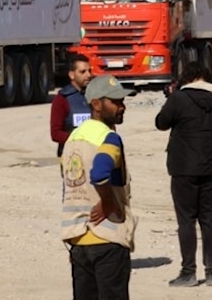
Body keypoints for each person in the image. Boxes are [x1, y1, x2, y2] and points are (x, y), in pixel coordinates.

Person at [155, 61, 212, 288]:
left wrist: (171, 97)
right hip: (211, 167)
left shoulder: (179, 99)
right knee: (208, 219)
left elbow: (161, 123)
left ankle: (188, 272)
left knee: (186, 220)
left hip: (183, 168)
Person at [60, 74, 136, 300]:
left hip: (78, 240)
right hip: (107, 239)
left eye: (122, 101)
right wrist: (109, 202)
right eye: (115, 102)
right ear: (96, 104)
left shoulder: (73, 139)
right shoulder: (108, 138)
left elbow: (69, 186)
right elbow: (100, 174)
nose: (122, 107)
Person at [51, 53, 94, 158]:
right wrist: (80, 140)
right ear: (72, 75)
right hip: (72, 156)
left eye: (89, 71)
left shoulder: (95, 96)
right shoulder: (62, 99)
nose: (88, 75)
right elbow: (56, 133)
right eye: (82, 72)